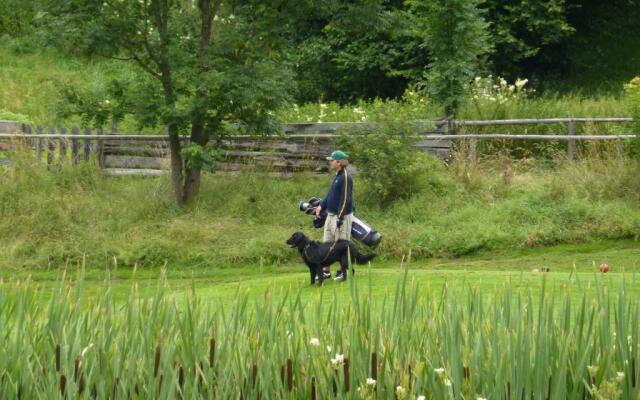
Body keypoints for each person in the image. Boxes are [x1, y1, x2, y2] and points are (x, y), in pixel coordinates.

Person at [315, 149, 353, 281]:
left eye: (332, 160)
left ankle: (343, 272)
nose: (330, 162)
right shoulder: (337, 176)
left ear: (339, 162)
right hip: (330, 215)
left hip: (340, 217)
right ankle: (325, 272)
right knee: (327, 244)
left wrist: (340, 218)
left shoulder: (346, 177)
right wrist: (321, 206)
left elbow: (345, 200)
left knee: (341, 246)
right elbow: (330, 195)